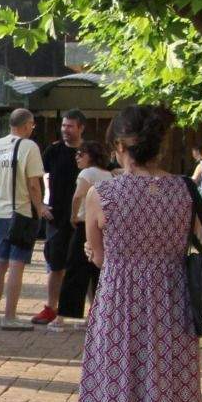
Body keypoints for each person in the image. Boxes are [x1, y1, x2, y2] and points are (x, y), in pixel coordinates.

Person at [66, 105, 202, 402]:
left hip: (118, 309)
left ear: (121, 147)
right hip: (170, 309)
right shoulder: (183, 192)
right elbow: (200, 242)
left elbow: (97, 253)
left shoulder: (102, 195)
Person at [0, 108, 51, 330]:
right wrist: (40, 206)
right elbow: (34, 184)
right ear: (26, 125)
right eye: (32, 125)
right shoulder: (30, 147)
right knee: (16, 263)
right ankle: (10, 316)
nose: (33, 128)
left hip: (0, 211)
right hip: (21, 212)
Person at [34, 110, 86, 325]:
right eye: (64, 125)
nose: (65, 129)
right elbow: (35, 177)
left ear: (81, 128)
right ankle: (51, 307)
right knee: (56, 265)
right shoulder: (53, 151)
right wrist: (40, 205)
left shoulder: (89, 152)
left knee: (87, 265)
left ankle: (95, 312)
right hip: (56, 218)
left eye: (70, 126)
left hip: (83, 219)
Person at [55, 140, 113, 328]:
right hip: (104, 227)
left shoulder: (87, 173)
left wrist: (73, 215)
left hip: (85, 225)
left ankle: (63, 314)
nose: (77, 157)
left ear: (91, 156)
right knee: (97, 272)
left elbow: (77, 196)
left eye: (81, 154)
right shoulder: (109, 175)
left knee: (74, 269)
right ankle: (98, 314)